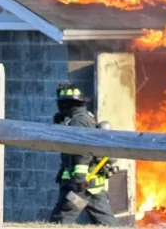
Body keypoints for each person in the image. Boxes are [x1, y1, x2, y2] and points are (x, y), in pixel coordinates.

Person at [49, 83, 119, 226]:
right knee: (107, 222)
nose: (60, 107)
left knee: (61, 219)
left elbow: (82, 151)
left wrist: (79, 179)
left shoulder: (78, 121)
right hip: (92, 185)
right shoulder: (83, 117)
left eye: (62, 104)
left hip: (81, 186)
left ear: (67, 104)